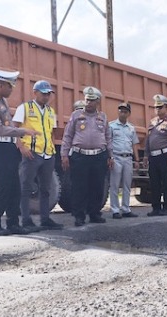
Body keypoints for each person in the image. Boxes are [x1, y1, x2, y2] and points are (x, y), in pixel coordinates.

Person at [0, 67, 39, 236]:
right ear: (0, 85)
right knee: (3, 187)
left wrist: (18, 141)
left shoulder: (1, 101)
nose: (11, 90)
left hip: (9, 146)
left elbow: (9, 124)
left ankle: (13, 223)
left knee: (15, 187)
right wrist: (23, 131)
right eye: (9, 87)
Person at [13, 80, 64, 231]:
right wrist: (21, 146)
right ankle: (26, 221)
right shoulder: (25, 108)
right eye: (43, 93)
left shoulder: (50, 111)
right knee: (26, 187)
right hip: (32, 153)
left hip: (48, 154)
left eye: (48, 94)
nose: (46, 96)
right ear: (35, 93)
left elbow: (52, 133)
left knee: (45, 188)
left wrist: (53, 149)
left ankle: (45, 219)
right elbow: (14, 129)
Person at [61, 86, 114, 227]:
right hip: (80, 156)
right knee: (79, 187)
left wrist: (110, 155)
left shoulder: (102, 117)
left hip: (99, 156)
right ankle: (79, 216)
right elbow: (68, 135)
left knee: (97, 187)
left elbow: (108, 137)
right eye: (87, 100)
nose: (88, 103)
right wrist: (64, 155)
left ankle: (95, 214)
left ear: (98, 102)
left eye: (92, 100)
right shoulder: (76, 116)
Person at [142, 94, 167, 216]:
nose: (157, 109)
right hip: (153, 157)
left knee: (166, 183)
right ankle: (155, 208)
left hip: (165, 156)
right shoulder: (152, 122)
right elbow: (148, 140)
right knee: (154, 183)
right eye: (156, 107)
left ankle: (166, 208)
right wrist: (146, 155)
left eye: (160, 107)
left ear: (166, 107)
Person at [109, 102, 140, 219]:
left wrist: (137, 160)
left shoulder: (131, 128)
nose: (122, 113)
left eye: (125, 111)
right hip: (116, 157)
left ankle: (126, 209)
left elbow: (134, 144)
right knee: (115, 185)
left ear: (129, 114)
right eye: (121, 110)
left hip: (128, 158)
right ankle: (115, 210)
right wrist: (110, 157)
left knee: (127, 185)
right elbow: (109, 143)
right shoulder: (111, 126)